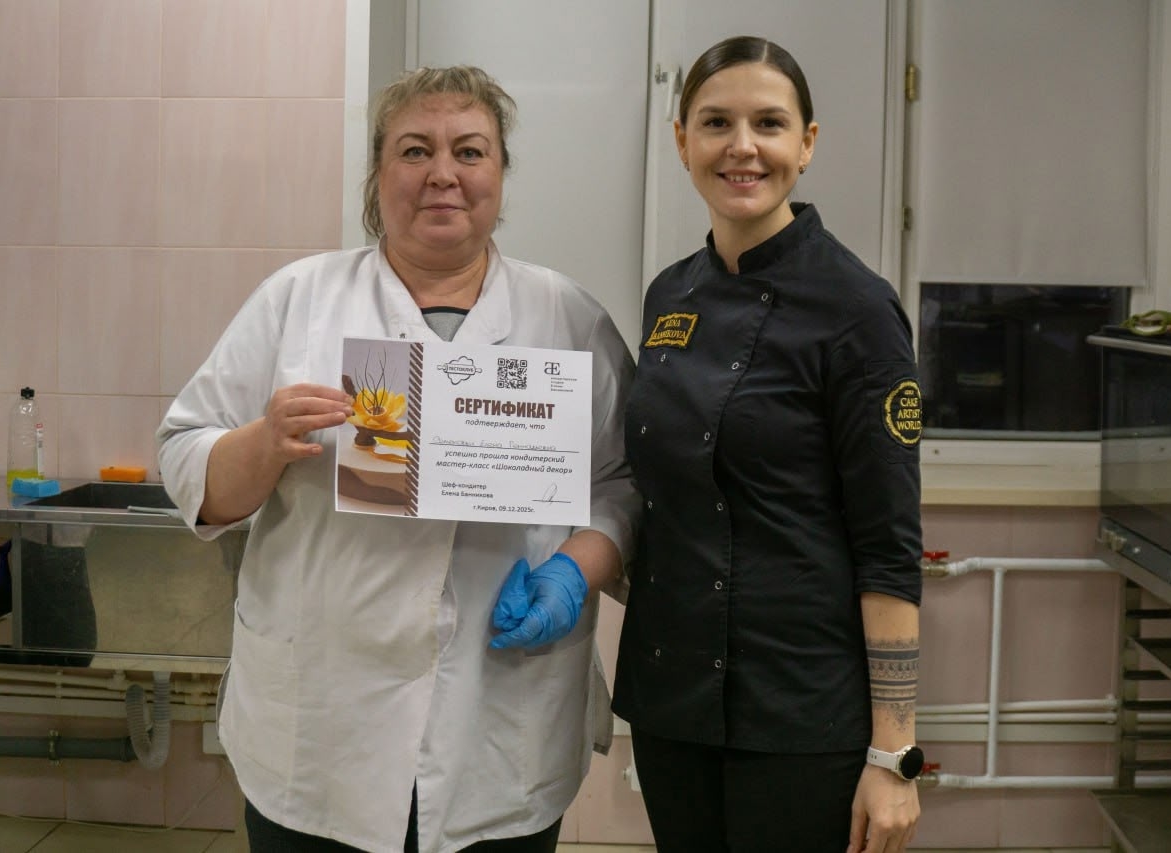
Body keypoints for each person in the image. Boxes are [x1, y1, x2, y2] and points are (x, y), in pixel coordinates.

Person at [157, 65, 638, 853]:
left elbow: (622, 484)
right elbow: (186, 459)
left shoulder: (568, 316)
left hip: (501, 727)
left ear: (501, 174)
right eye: (415, 150)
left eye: (469, 151)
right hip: (321, 734)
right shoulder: (299, 300)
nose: (443, 172)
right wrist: (263, 442)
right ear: (378, 174)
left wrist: (572, 571)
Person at [611, 36, 924, 853]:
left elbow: (889, 547)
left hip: (799, 709)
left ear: (806, 144)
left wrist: (894, 754)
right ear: (682, 140)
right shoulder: (669, 294)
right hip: (673, 697)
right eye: (716, 122)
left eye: (769, 124)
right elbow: (661, 494)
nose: (741, 146)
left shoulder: (857, 309)